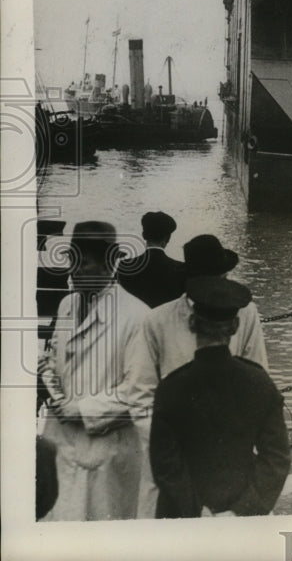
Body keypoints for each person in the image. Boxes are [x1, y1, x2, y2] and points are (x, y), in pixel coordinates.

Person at [127, 234, 268, 518]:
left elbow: (257, 378)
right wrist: (166, 447)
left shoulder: (246, 313)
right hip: (170, 457)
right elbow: (140, 393)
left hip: (227, 456)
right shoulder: (157, 321)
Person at [149, 276, 290, 518]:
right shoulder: (260, 383)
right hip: (244, 516)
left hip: (181, 518)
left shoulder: (171, 388)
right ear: (235, 326)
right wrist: (242, 510)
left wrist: (196, 511)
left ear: (192, 323)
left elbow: (164, 464)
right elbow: (277, 458)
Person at [39, 221, 150, 520]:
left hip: (108, 454)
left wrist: (81, 409)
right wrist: (47, 374)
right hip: (61, 445)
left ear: (109, 263)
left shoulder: (137, 317)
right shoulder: (66, 305)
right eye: (72, 262)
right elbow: (56, 360)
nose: (74, 272)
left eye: (84, 264)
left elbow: (138, 393)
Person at [116, 211, 186, 309]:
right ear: (168, 238)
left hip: (134, 322)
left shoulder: (125, 265)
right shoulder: (181, 269)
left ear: (144, 235)